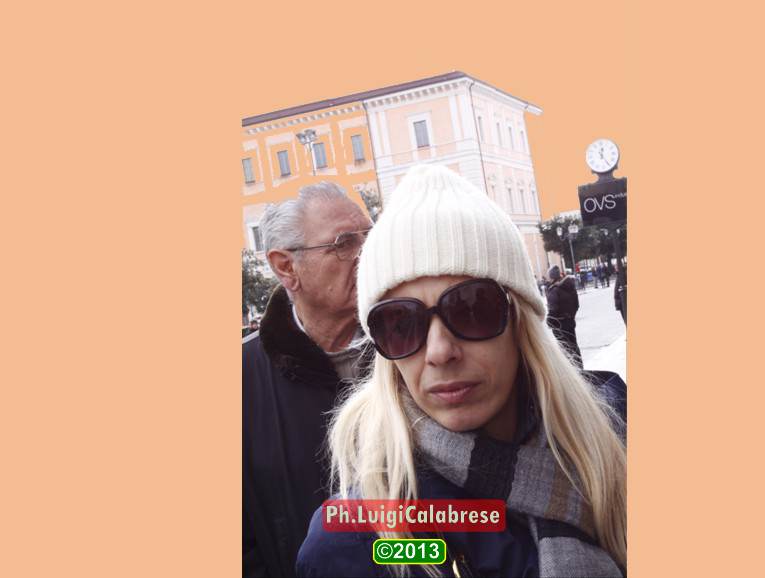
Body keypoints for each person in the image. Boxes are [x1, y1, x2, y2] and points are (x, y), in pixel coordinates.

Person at [296, 165, 626, 577]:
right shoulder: (356, 543)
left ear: (519, 320)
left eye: (472, 308)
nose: (439, 352)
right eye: (399, 323)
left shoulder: (619, 438)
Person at [243, 182, 374, 577]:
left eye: (370, 236)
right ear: (286, 267)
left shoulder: (411, 352)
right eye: (344, 243)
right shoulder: (241, 379)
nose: (367, 251)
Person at [545, 265, 583, 368]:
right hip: (570, 321)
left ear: (551, 277)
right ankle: (580, 369)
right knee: (574, 346)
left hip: (560, 325)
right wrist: (571, 316)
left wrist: (549, 322)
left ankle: (572, 372)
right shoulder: (570, 286)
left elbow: (553, 309)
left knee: (565, 350)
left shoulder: (554, 290)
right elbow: (576, 305)